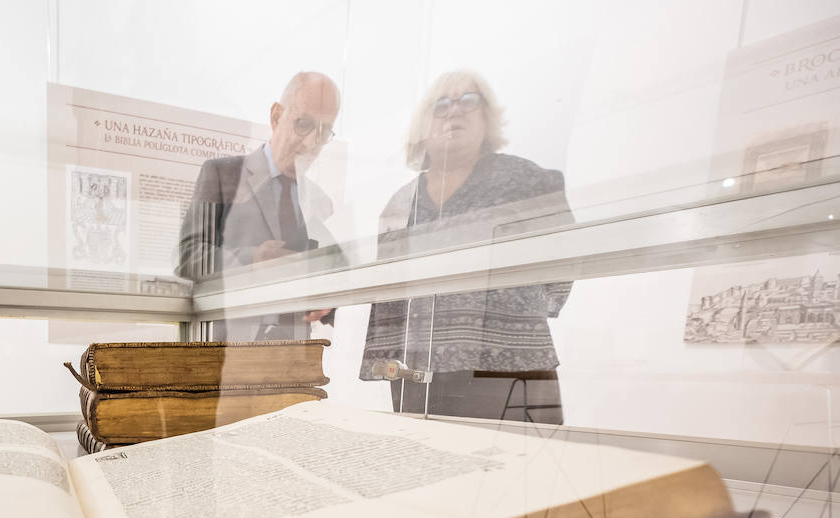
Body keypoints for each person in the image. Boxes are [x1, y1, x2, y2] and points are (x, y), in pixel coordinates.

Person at [359, 70, 574, 422]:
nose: (454, 111)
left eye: (468, 101)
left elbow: (565, 261)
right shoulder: (401, 202)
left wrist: (516, 313)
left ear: (487, 117)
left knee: (516, 471)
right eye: (440, 105)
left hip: (508, 368)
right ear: (422, 124)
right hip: (419, 372)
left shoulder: (526, 180)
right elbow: (391, 295)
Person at [176, 72, 343, 339]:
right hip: (227, 354)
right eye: (303, 124)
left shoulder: (320, 201)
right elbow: (188, 256)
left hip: (294, 357)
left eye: (323, 132)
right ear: (277, 116)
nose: (312, 141)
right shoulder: (223, 175)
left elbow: (336, 274)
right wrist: (250, 260)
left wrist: (327, 301)